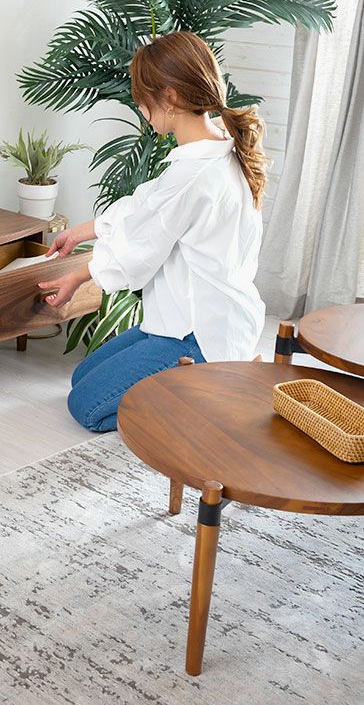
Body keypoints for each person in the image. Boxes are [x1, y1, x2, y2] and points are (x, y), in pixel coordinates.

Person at [38, 31, 267, 433]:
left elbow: (140, 249)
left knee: (86, 406)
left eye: (143, 99)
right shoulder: (220, 147)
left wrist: (77, 276)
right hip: (191, 318)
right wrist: (83, 232)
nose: (140, 108)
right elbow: (147, 205)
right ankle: (214, 380)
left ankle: (212, 396)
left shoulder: (194, 175)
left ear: (171, 97)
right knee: (82, 377)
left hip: (198, 335)